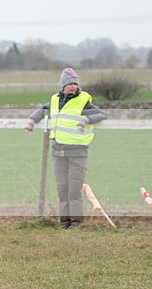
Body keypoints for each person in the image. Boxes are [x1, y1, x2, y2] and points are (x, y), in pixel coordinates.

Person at [25, 67, 108, 228]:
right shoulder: (55, 100)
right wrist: (31, 122)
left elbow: (101, 114)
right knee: (62, 189)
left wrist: (86, 120)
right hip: (58, 151)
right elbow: (42, 111)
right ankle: (65, 221)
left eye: (75, 84)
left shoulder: (83, 100)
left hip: (77, 151)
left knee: (74, 190)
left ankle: (76, 222)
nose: (73, 87)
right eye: (70, 84)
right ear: (63, 85)